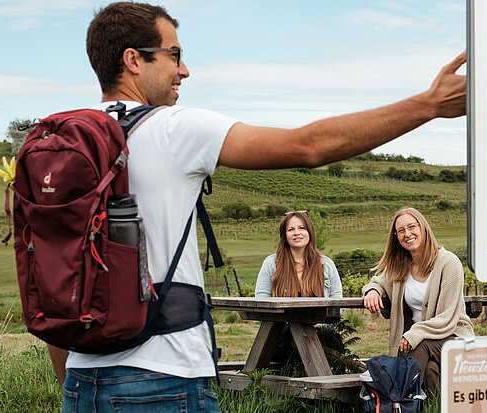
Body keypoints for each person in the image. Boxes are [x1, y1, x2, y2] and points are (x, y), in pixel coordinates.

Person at [53, 2, 465, 411]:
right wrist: (428, 105)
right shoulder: (173, 128)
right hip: (165, 378)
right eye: (174, 54)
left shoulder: (58, 147)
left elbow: (51, 284)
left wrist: (71, 380)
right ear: (133, 60)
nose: (184, 70)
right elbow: (308, 146)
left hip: (79, 379)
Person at [362, 207, 473, 396]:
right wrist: (372, 291)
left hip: (453, 335)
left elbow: (447, 317)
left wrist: (415, 333)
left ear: (423, 228)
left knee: (418, 345)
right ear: (396, 236)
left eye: (412, 226)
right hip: (417, 340)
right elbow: (378, 282)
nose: (407, 234)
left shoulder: (448, 263)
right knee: (430, 371)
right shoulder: (401, 265)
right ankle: (430, 406)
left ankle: (396, 402)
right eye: (401, 230)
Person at [255, 211, 341, 299]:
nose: (296, 233)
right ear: (285, 235)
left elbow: (338, 306)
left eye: (302, 228)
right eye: (290, 229)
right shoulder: (271, 264)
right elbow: (261, 302)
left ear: (310, 232)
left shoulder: (326, 265)